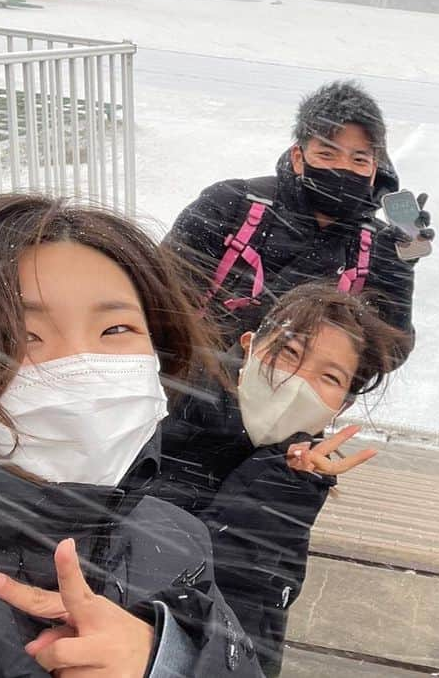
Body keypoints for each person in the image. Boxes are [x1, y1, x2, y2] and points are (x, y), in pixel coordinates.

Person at [0, 193, 265, 677]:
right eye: (20, 337)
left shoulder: (178, 539)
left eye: (116, 328)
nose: (78, 362)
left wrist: (168, 661)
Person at [148, 281, 407, 674]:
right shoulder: (161, 412)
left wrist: (278, 488)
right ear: (250, 346)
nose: (297, 382)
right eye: (289, 353)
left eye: (330, 378)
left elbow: (249, 626)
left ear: (342, 406)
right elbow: (155, 573)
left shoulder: (293, 478)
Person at [165, 80, 431, 355]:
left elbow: (387, 354)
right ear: (298, 157)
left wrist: (396, 274)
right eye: (327, 154)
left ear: (374, 169)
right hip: (199, 386)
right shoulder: (229, 205)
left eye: (359, 160)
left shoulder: (376, 245)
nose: (343, 168)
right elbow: (157, 302)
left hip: (304, 396)